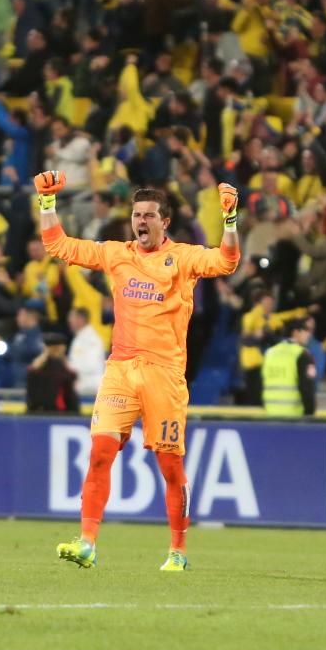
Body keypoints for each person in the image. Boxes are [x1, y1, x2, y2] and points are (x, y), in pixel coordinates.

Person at [35, 168, 239, 573]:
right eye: (136, 215)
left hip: (164, 373)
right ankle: (87, 543)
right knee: (99, 453)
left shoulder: (183, 258)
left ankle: (178, 551)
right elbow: (56, 244)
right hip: (121, 369)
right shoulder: (117, 254)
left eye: (148, 215)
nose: (140, 221)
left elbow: (227, 261)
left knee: (170, 467)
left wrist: (230, 221)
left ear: (165, 221)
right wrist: (46, 202)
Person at [261, 318, 317, 418]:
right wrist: (310, 414)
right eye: (305, 331)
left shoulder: (270, 353)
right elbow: (307, 388)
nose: (308, 335)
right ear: (296, 332)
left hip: (270, 415)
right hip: (294, 417)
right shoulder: (302, 354)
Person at [26, 332, 81, 414]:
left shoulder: (34, 369)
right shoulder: (66, 371)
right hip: (60, 415)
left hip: (37, 415)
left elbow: (30, 399)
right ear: (62, 349)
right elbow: (70, 399)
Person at [67, 307, 106, 399]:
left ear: (80, 319)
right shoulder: (79, 338)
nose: (69, 321)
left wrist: (68, 367)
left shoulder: (92, 340)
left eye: (71, 318)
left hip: (90, 385)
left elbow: (91, 366)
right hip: (82, 382)